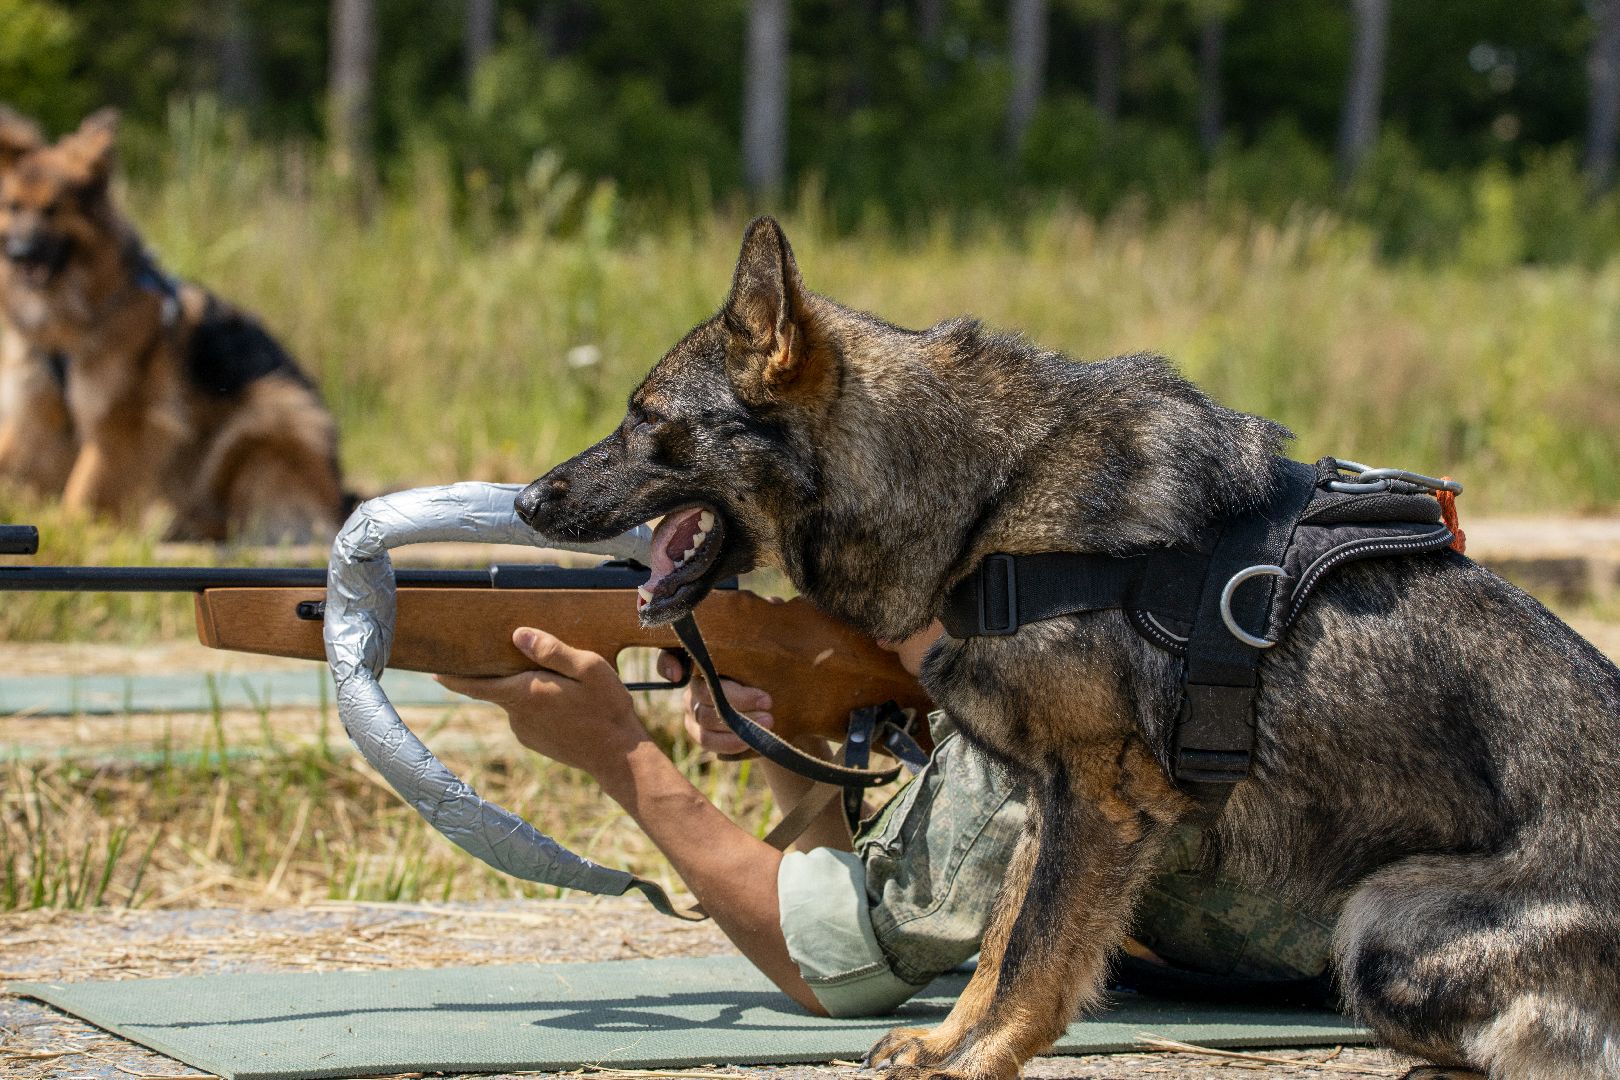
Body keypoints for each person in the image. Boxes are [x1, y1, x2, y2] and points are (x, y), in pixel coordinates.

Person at [436, 621, 1338, 1019]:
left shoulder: (1043, 693)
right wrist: (796, 729)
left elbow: (836, 963)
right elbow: (856, 884)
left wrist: (619, 754)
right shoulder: (1119, 601)